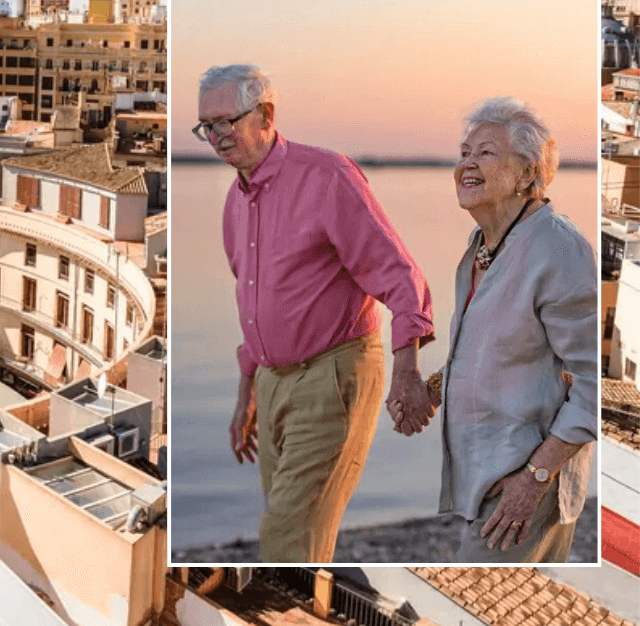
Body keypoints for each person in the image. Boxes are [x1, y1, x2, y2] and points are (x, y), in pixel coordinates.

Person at [197, 64, 436, 562]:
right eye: (207, 126)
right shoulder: (234, 202)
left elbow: (399, 274)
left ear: (265, 115)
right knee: (292, 532)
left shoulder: (327, 176)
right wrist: (247, 394)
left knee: (289, 537)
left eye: (226, 121)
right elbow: (252, 300)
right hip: (270, 380)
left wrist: (407, 370)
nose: (216, 136)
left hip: (333, 374)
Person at [391, 97, 596, 562]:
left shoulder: (557, 251)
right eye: (464, 152)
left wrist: (535, 479)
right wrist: (432, 389)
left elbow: (595, 386)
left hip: (524, 484)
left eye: (484, 153)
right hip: (487, 475)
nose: (466, 164)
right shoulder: (482, 246)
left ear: (528, 174)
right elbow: (499, 352)